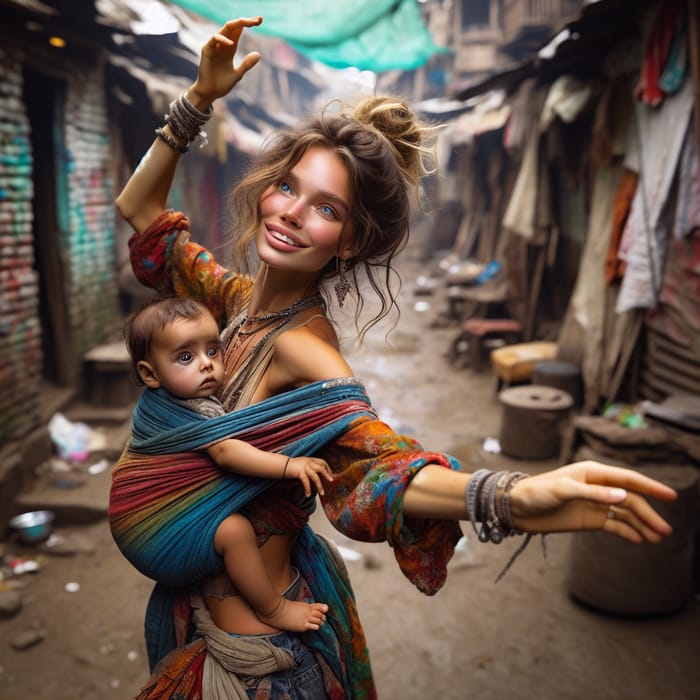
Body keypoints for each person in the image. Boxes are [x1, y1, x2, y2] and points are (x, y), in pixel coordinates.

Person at [110, 15, 678, 699]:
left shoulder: (304, 350)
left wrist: (514, 495)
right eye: (288, 187)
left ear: (347, 242)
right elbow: (140, 207)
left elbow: (384, 467)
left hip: (261, 661)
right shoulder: (230, 306)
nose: (290, 214)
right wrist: (199, 98)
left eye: (325, 209)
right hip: (198, 625)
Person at [122, 295, 332, 633]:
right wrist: (289, 466)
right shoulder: (185, 410)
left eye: (213, 350)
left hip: (154, 525)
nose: (206, 363)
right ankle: (273, 608)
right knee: (235, 531)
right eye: (186, 357)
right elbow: (226, 453)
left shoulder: (181, 397)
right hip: (153, 530)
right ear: (150, 374)